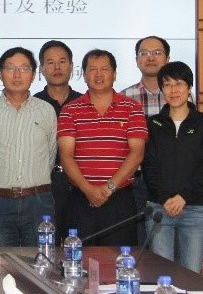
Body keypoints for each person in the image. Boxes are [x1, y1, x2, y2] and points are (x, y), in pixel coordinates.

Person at [58, 49, 148, 246]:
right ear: (84, 75)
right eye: (92, 69)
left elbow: (137, 153)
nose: (98, 74)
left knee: (120, 258)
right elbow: (66, 155)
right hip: (81, 198)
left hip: (119, 199)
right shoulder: (70, 110)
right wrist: (88, 189)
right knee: (79, 258)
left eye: (104, 69)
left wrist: (109, 188)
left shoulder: (132, 108)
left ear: (114, 74)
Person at [0, 47, 56, 247]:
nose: (17, 75)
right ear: (1, 74)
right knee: (1, 262)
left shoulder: (46, 111)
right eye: (10, 68)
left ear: (33, 75)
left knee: (41, 260)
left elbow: (50, 155)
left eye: (24, 68)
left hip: (38, 201)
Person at [142, 61, 203, 273]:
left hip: (193, 209)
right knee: (162, 274)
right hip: (159, 208)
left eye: (179, 84)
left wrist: (183, 197)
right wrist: (166, 198)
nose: (173, 90)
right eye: (167, 85)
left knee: (192, 274)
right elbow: (149, 166)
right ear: (162, 90)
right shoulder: (153, 124)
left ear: (189, 87)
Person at [120, 35, 170, 237]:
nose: (150, 58)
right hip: (136, 181)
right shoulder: (124, 97)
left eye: (157, 53)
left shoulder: (180, 95)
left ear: (167, 59)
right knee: (139, 241)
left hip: (170, 179)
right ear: (136, 59)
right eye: (144, 53)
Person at [33, 40, 82, 233]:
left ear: (71, 66)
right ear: (42, 69)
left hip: (80, 187)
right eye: (50, 62)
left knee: (79, 241)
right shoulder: (33, 104)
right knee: (46, 241)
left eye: (62, 61)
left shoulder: (84, 102)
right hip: (44, 186)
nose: (57, 67)